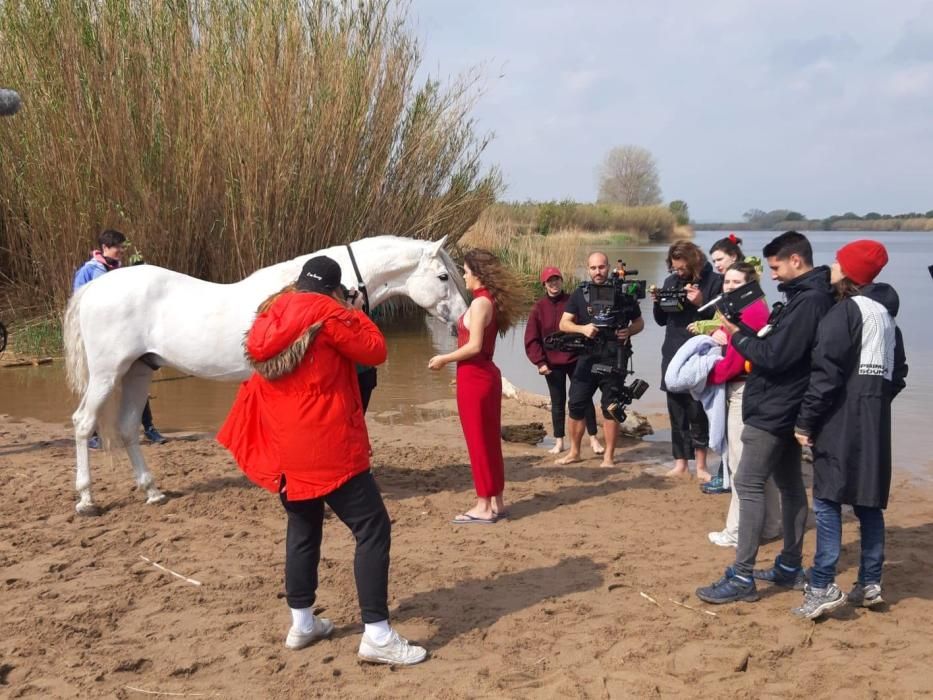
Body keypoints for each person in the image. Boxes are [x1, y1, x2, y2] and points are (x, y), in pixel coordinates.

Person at [217, 255, 426, 665]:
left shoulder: (270, 311)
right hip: (324, 444)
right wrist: (355, 311)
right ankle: (377, 635)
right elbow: (376, 350)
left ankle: (302, 622)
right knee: (372, 527)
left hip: (282, 445)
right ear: (334, 289)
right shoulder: (331, 314)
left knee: (303, 524)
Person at [696, 231, 835, 605]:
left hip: (776, 408)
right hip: (787, 405)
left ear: (795, 260)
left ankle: (742, 575)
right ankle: (789, 566)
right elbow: (778, 347)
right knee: (790, 485)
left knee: (748, 483)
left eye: (775, 267)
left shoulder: (809, 302)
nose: (771, 276)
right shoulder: (808, 297)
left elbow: (775, 355)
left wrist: (735, 334)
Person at [792, 240, 907, 619]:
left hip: (840, 423)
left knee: (826, 503)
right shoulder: (888, 319)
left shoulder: (844, 313)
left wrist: (806, 421)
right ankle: (870, 582)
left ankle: (823, 584)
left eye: (839, 262)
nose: (833, 267)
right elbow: (898, 375)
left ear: (852, 273)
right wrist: (873, 402)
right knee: (869, 504)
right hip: (875, 424)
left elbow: (825, 374)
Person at [427, 249, 522, 524]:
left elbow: (475, 346)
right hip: (480, 375)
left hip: (477, 377)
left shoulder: (481, 304)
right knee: (489, 440)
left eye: (467, 271)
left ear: (478, 274)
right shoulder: (486, 301)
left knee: (479, 442)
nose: (464, 276)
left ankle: (483, 505)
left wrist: (444, 358)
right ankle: (497, 502)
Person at [701, 262, 782, 548]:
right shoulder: (743, 308)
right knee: (760, 466)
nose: (730, 287)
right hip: (750, 388)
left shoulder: (751, 311)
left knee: (739, 464)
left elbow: (735, 360)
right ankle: (772, 524)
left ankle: (736, 531)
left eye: (737, 283)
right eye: (727, 282)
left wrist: (707, 375)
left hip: (743, 390)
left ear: (750, 284)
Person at [72, 229, 166, 446]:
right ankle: (92, 433)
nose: (121, 252)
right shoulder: (88, 271)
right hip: (100, 337)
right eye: (118, 248)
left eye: (123, 248)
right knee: (98, 383)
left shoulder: (121, 272)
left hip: (124, 336)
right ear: (105, 248)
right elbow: (79, 302)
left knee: (136, 381)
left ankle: (149, 428)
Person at [557, 252, 645, 468]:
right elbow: (563, 324)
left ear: (608, 268)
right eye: (594, 268)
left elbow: (640, 323)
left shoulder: (624, 293)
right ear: (588, 269)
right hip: (587, 357)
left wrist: (628, 331)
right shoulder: (581, 293)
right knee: (576, 404)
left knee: (611, 407)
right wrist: (582, 328)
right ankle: (575, 452)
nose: (598, 271)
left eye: (602, 267)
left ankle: (609, 457)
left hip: (615, 356)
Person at [652, 241, 722, 480]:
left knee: (697, 410)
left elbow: (721, 320)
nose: (678, 273)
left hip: (699, 354)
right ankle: (680, 462)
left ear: (695, 262)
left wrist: (701, 302)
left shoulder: (714, 282)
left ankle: (701, 465)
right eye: (674, 268)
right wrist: (657, 302)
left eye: (682, 269)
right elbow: (661, 320)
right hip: (672, 350)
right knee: (676, 409)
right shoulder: (671, 282)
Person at [524, 266, 604, 456]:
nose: (554, 284)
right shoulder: (538, 308)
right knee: (558, 402)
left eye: (557, 280)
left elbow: (589, 326)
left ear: (562, 281)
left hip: (577, 358)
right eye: (550, 281)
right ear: (544, 285)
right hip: (552, 363)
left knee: (584, 399)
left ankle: (593, 438)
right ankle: (559, 441)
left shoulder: (573, 301)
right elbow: (531, 339)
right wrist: (540, 362)